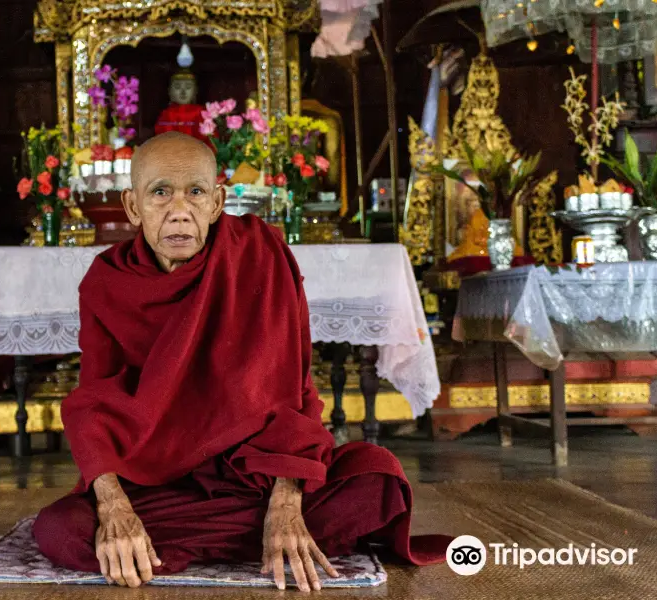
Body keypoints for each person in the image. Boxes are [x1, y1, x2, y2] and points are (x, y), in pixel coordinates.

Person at [32, 132, 449, 591]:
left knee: (377, 475)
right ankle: (258, 543)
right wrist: (113, 504)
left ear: (217, 202)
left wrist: (287, 498)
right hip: (155, 479)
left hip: (255, 475)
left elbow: (294, 391)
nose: (179, 210)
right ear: (133, 207)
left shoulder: (258, 255)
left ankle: (234, 535)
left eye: (194, 192)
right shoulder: (107, 282)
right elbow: (96, 399)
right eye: (159, 193)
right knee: (61, 530)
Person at [153, 69, 208, 143]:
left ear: (195, 91)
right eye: (177, 87)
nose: (183, 92)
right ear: (170, 92)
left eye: (188, 87)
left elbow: (211, 141)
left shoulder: (202, 113)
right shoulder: (167, 114)